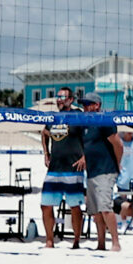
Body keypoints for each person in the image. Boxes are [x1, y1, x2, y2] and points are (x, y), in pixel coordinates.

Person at [40, 92, 90, 249]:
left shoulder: (78, 115)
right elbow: (44, 132)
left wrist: (85, 157)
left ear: (71, 100)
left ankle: (76, 241)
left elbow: (89, 136)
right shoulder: (54, 117)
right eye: (58, 97)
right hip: (54, 169)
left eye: (62, 97)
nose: (59, 99)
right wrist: (46, 153)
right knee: (45, 205)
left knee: (74, 206)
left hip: (73, 168)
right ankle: (50, 240)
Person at [78, 94, 125, 251]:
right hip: (92, 171)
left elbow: (118, 144)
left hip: (106, 169)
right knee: (96, 211)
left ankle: (116, 243)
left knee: (105, 208)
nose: (84, 107)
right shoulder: (86, 123)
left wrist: (117, 165)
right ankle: (101, 243)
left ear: (97, 105)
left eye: (87, 104)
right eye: (83, 105)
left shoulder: (104, 120)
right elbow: (90, 145)